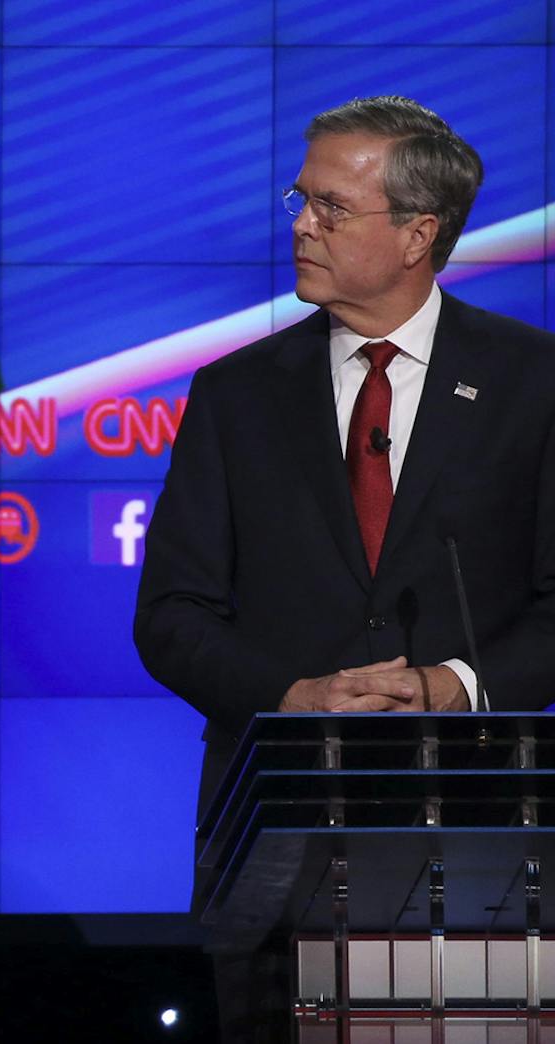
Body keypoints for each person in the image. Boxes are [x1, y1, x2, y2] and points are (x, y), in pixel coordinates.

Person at [135, 96, 555, 1042]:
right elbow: (171, 614)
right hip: (275, 836)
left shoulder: (534, 383)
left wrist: (456, 684)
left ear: (418, 234)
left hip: (477, 833)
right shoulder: (236, 394)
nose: (301, 226)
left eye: (331, 207)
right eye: (301, 200)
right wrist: (290, 695)